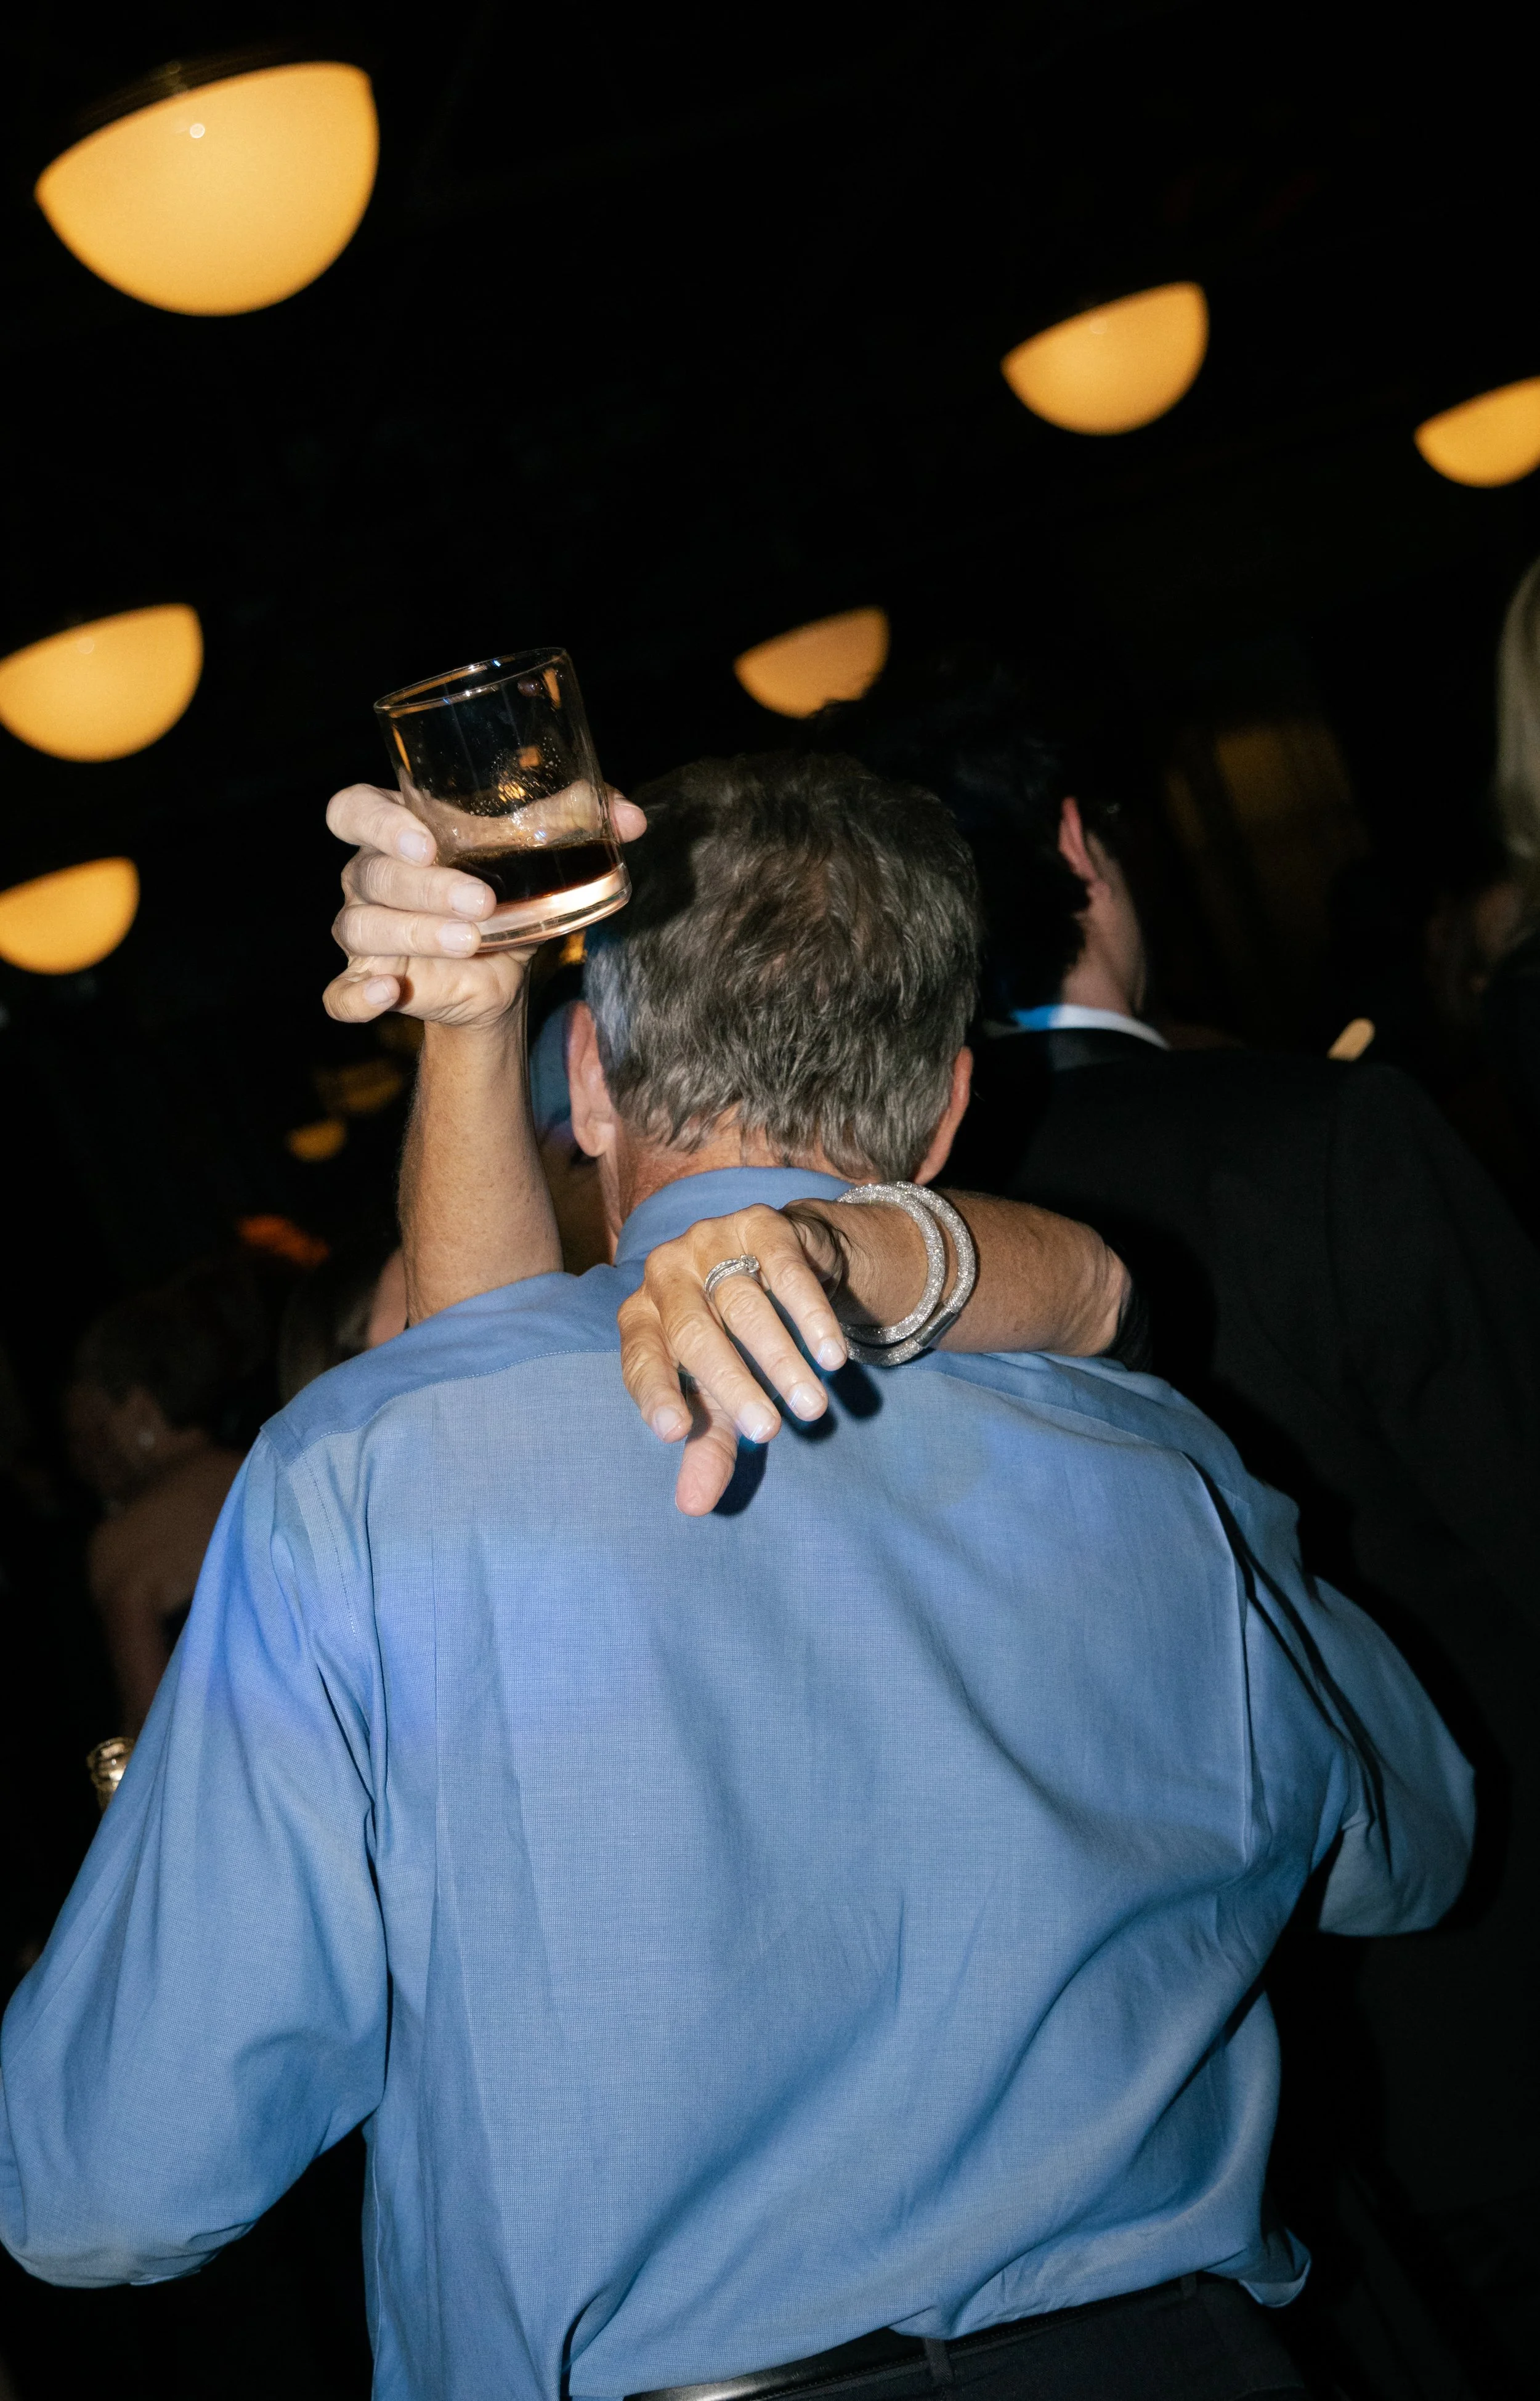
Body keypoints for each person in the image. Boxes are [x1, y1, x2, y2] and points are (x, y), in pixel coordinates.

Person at [3, 751, 1473, 2401]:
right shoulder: (1154, 1462)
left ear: (596, 1084)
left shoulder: (363, 1479)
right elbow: (1407, 1850)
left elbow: (106, 2188)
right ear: (945, 1107)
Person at [65, 1250, 296, 1733]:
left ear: (138, 1406)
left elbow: (150, 1721)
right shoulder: (277, 1467)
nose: (93, 1449)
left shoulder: (124, 1540)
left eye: (99, 1424)